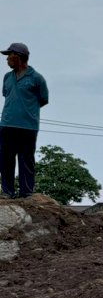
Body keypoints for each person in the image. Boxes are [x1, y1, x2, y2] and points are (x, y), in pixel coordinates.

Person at [0, 42, 49, 199]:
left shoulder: (36, 78)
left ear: (19, 57)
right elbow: (6, 95)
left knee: (26, 160)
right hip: (7, 124)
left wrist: (26, 112)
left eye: (9, 56)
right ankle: (7, 192)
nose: (7, 59)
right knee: (6, 159)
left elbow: (43, 99)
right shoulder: (7, 77)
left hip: (28, 126)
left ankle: (26, 193)